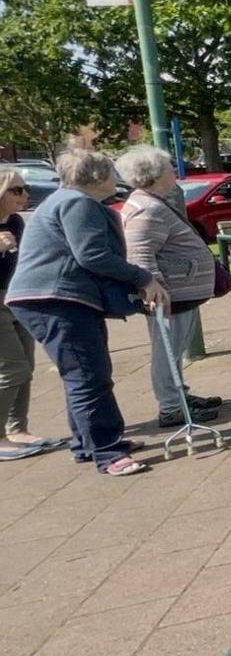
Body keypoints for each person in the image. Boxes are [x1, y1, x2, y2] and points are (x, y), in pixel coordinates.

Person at [5, 147, 167, 476]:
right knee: (88, 375)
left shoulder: (67, 201)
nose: (115, 176)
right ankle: (108, 451)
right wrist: (143, 277)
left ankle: (88, 444)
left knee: (83, 373)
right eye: (110, 170)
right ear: (96, 176)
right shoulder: (79, 203)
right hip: (56, 300)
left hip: (52, 298)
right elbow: (92, 255)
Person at [117, 146, 224, 428]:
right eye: (168, 167)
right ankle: (171, 407)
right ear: (154, 174)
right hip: (168, 295)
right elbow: (139, 253)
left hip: (178, 292)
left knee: (173, 350)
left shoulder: (153, 202)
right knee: (167, 350)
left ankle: (179, 397)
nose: (174, 172)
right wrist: (155, 289)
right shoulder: (147, 208)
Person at [0, 167, 62, 460]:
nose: (25, 195)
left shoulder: (15, 222)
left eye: (24, 189)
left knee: (26, 365)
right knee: (12, 368)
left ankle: (18, 429)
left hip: (15, 299)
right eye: (17, 190)